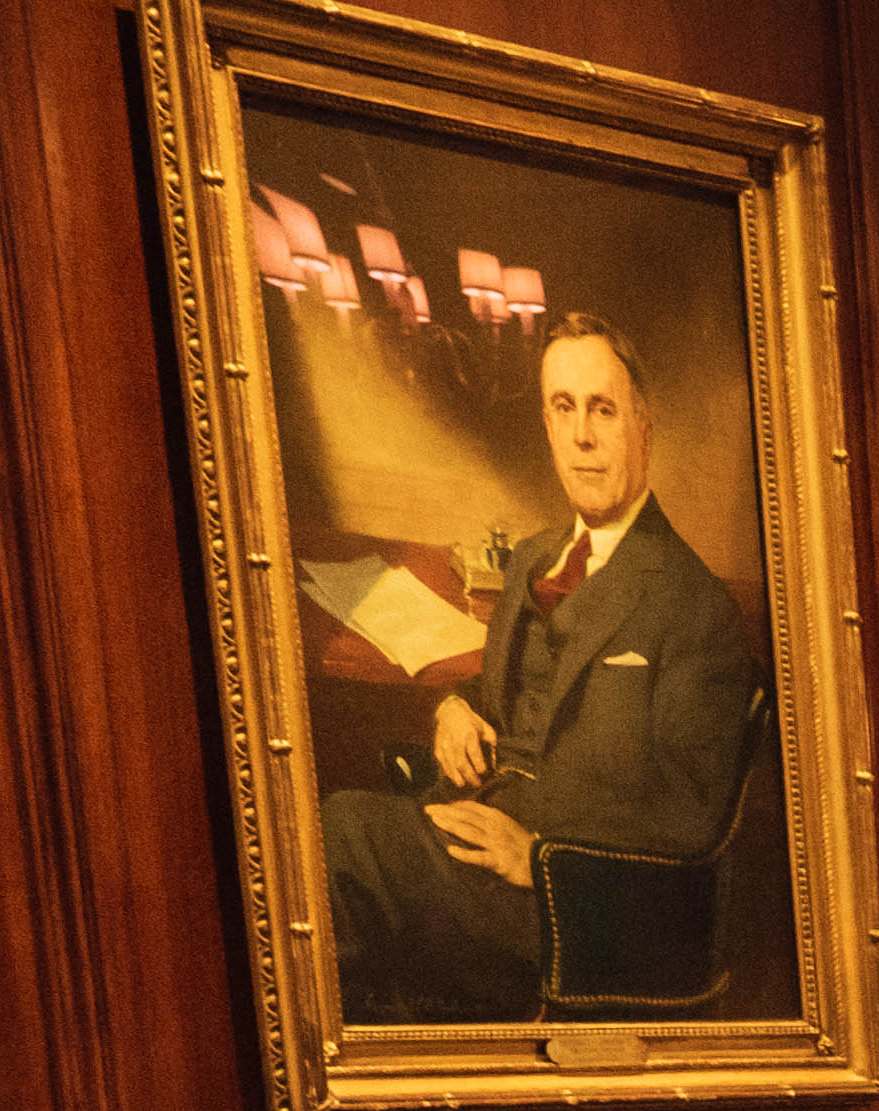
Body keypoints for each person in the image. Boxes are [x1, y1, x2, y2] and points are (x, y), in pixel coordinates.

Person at [315, 314, 766, 1024]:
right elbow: (516, 691)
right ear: (548, 426)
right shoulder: (534, 556)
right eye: (564, 407)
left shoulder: (694, 605)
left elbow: (691, 812)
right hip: (475, 830)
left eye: (602, 409)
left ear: (643, 429)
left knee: (339, 836)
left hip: (566, 903)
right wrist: (454, 707)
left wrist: (535, 856)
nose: (582, 435)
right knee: (332, 840)